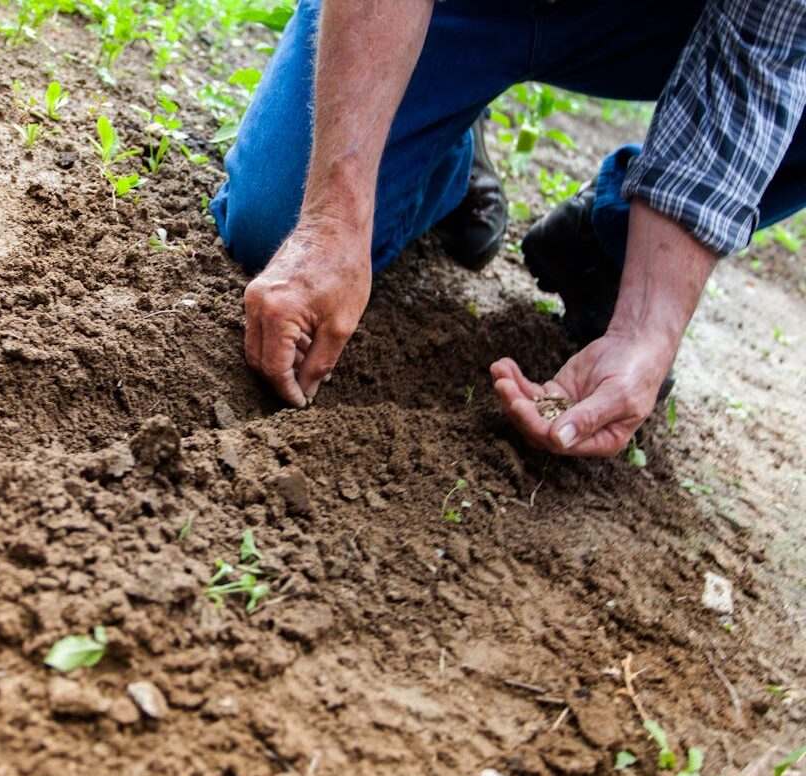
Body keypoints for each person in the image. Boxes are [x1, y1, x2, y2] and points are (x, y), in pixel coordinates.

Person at [209, 0, 806, 457]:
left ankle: (611, 246)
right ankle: (443, 145)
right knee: (276, 223)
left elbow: (758, 56)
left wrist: (646, 330)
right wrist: (333, 220)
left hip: (650, 20)